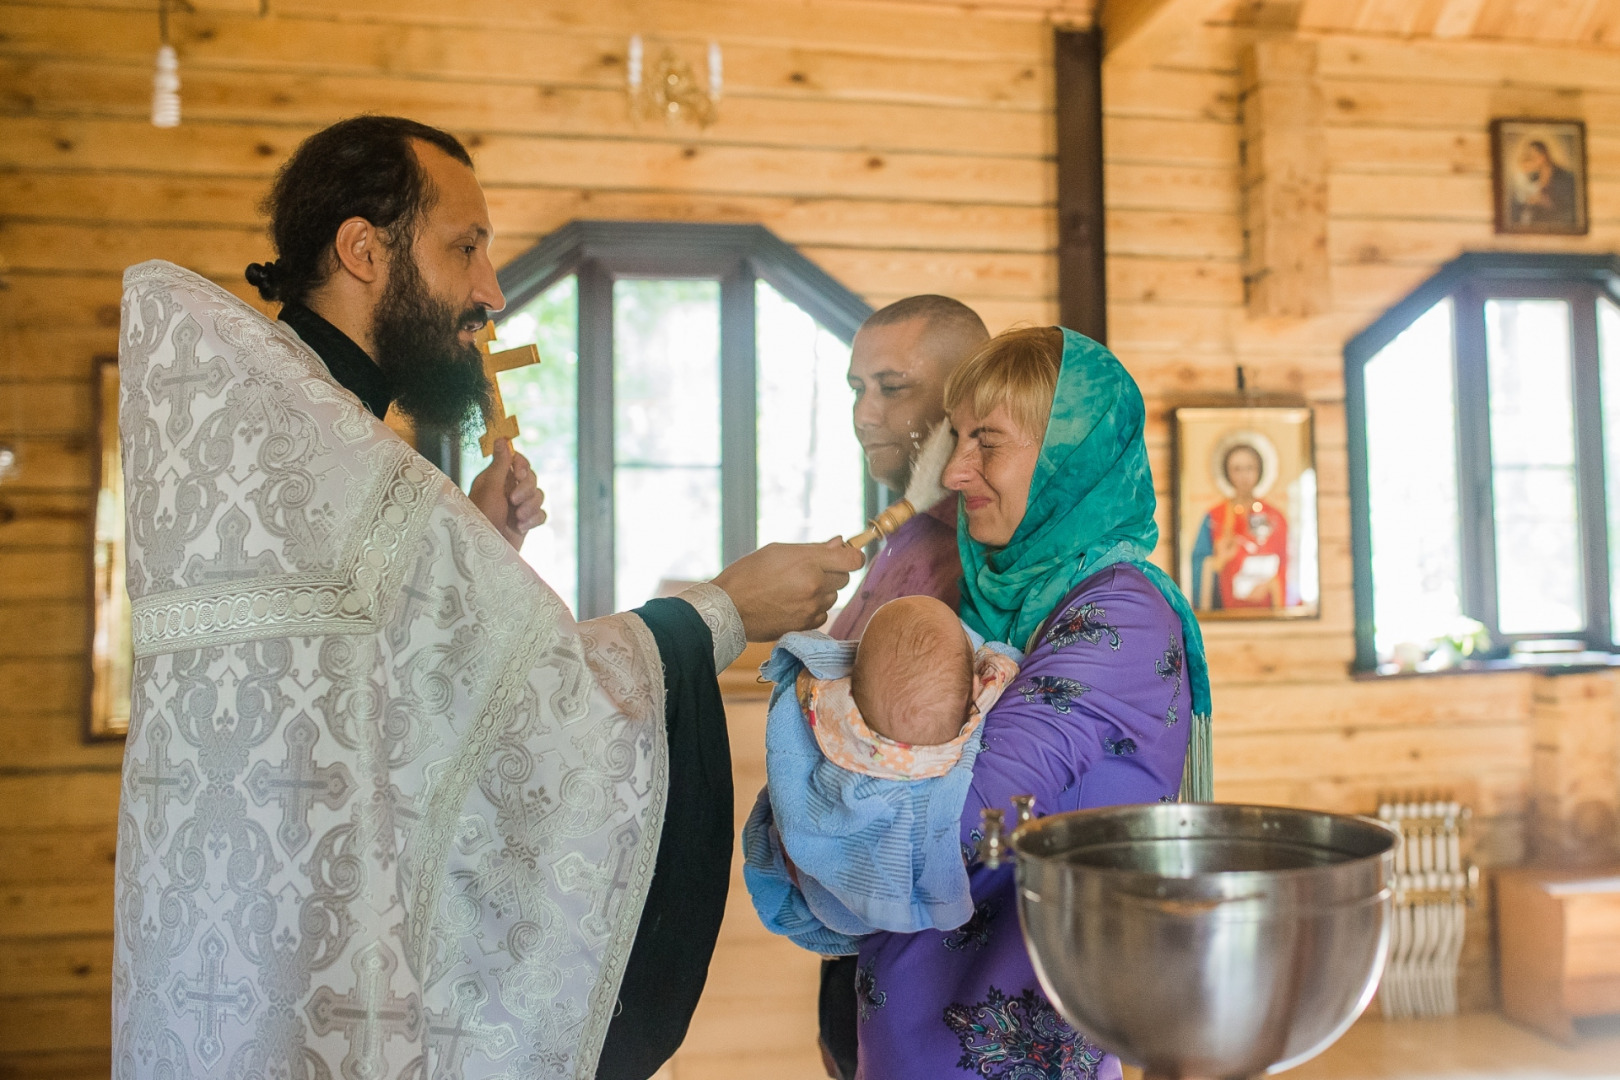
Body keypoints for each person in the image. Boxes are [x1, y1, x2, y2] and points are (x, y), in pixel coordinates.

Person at [110, 115, 863, 1080]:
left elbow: (376, 713)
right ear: (362, 248)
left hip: (220, 968)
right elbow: (544, 702)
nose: (491, 291)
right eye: (466, 247)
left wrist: (469, 546)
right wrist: (724, 610)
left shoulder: (276, 431)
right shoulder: (351, 464)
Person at [851, 325, 1214, 1079]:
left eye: (987, 440)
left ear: (1067, 457)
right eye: (955, 438)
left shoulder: (1123, 613)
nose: (955, 471)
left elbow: (956, 813)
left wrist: (832, 789)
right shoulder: (989, 599)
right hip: (902, 1030)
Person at [822, 295, 988, 1078]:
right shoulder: (901, 536)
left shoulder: (978, 549)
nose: (864, 413)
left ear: (964, 399)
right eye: (857, 387)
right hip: (856, 915)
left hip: (928, 926)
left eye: (892, 387)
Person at [1190, 442, 1288, 611]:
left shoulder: (1275, 517)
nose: (1244, 476)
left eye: (1250, 468)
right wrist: (1218, 561)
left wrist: (1271, 585)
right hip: (1227, 607)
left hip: (1267, 609)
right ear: (1227, 472)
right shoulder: (1214, 517)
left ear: (1259, 470)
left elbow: (1286, 563)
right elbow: (1199, 564)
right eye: (1237, 469)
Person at [1510, 138, 1578, 228]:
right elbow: (1518, 203)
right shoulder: (1531, 177)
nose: (1531, 160)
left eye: (1534, 156)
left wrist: (1546, 202)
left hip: (1557, 224)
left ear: (1544, 155)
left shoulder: (1565, 176)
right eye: (1529, 156)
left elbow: (1570, 208)